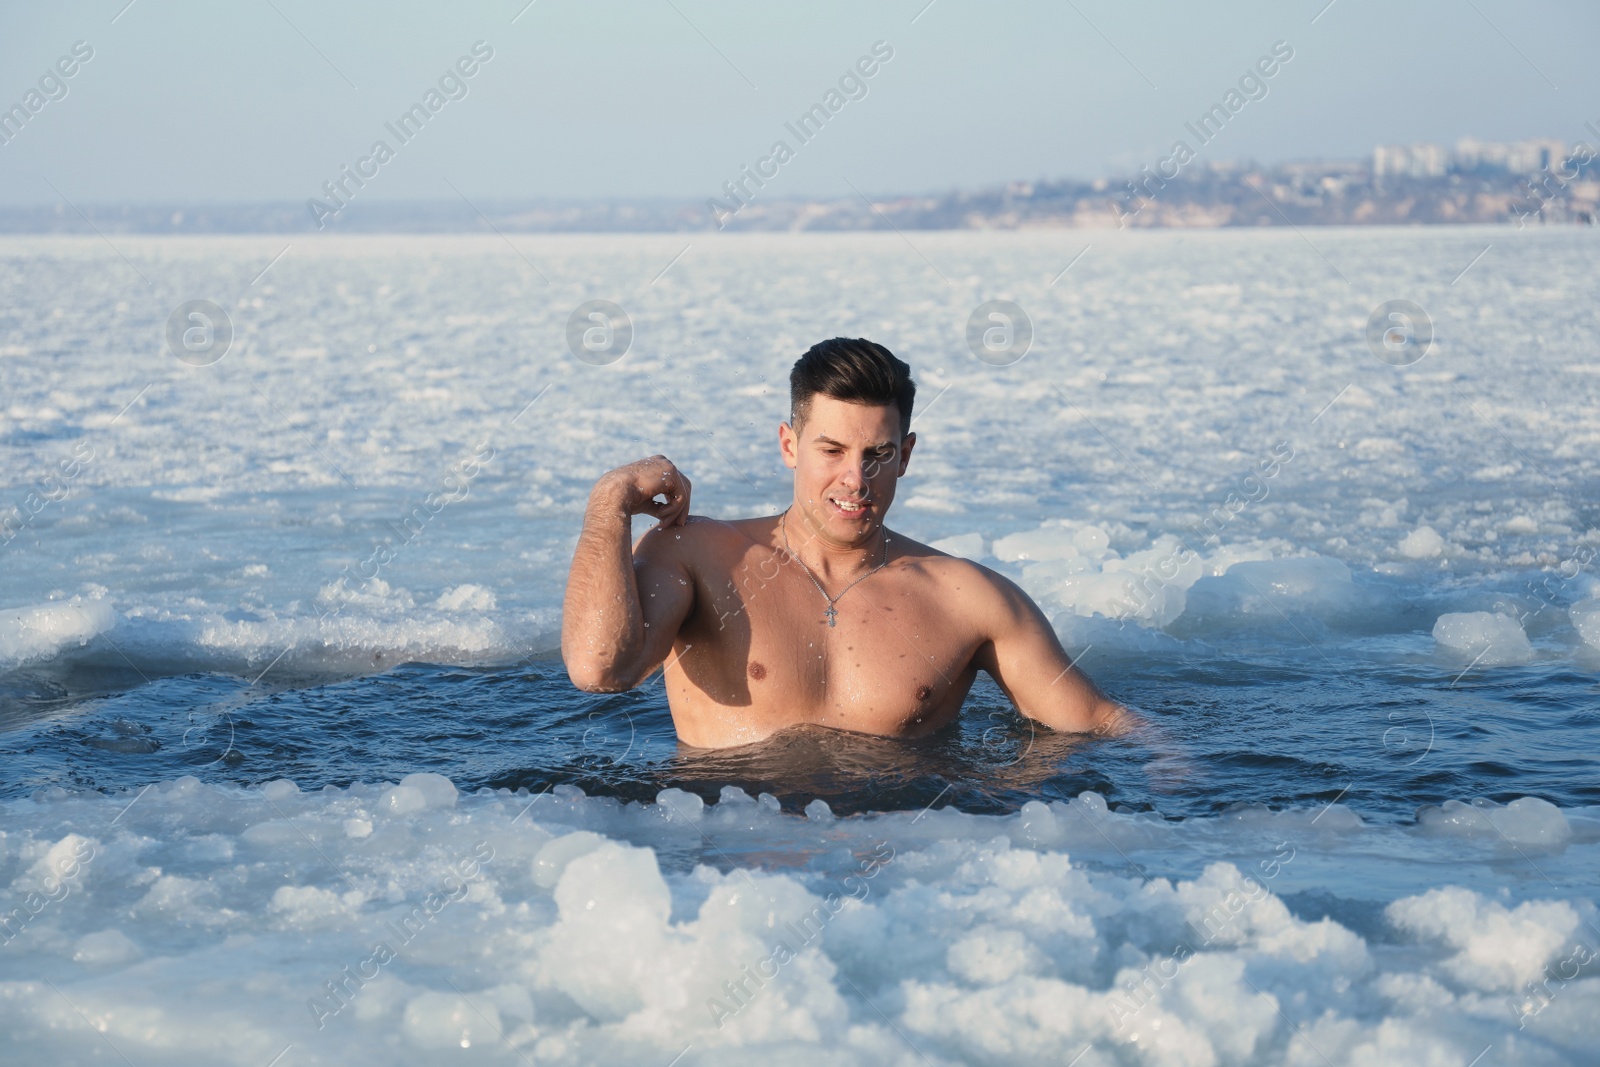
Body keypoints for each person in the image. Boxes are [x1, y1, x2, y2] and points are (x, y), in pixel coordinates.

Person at [561, 337, 1132, 749]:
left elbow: (1099, 723)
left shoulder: (969, 599)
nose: (856, 480)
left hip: (895, 874)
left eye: (877, 455)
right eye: (831, 450)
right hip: (736, 869)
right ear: (790, 445)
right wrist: (608, 503)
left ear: (905, 456)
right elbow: (598, 671)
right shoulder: (697, 556)